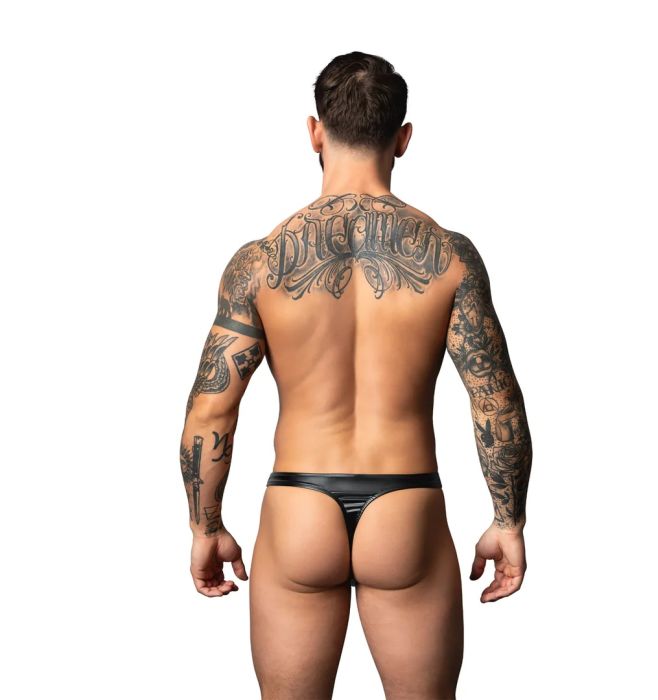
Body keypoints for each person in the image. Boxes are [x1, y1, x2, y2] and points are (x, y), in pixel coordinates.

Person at [179, 50, 533, 700]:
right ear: (403, 138)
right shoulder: (449, 257)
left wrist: (206, 527)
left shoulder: (260, 262)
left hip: (299, 506)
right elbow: (494, 398)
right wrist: (508, 520)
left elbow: (212, 410)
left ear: (314, 132)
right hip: (405, 505)